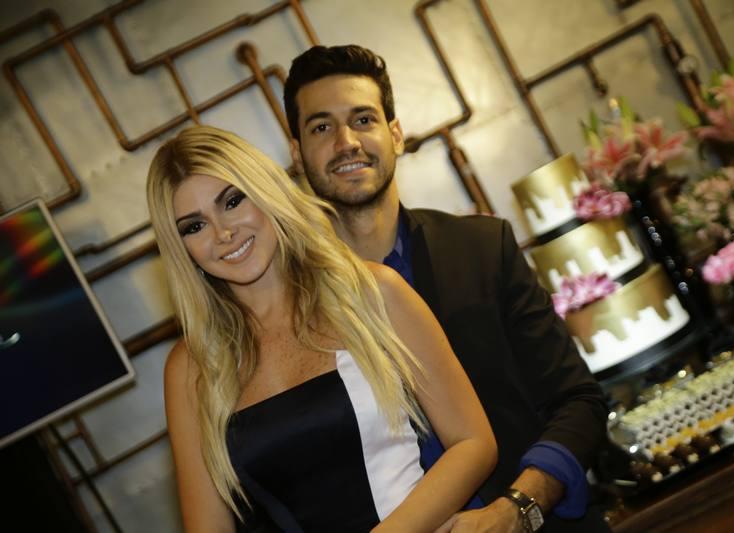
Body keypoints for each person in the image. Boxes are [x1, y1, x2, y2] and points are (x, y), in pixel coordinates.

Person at [284, 45, 610, 532]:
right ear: (297, 154)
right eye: (321, 128)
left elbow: (578, 402)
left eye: (363, 120)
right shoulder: (293, 314)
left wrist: (516, 510)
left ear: (395, 134)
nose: (346, 142)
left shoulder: (481, 248)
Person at [146, 125, 497, 532]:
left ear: (265, 191)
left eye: (232, 201)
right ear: (182, 249)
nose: (223, 233)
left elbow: (473, 443)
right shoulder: (191, 368)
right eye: (194, 226)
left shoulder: (372, 293)